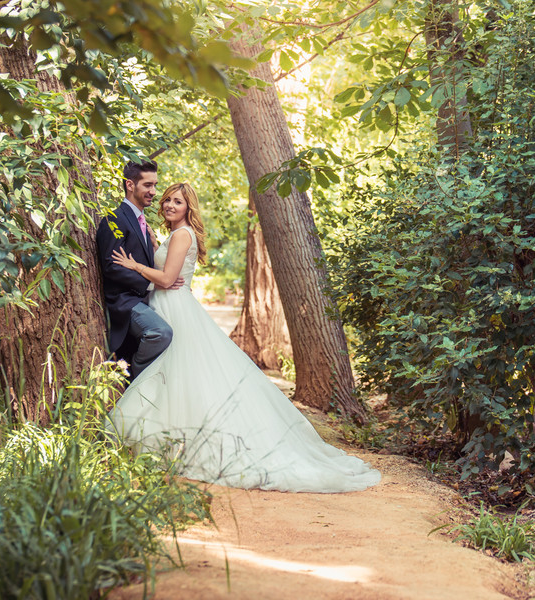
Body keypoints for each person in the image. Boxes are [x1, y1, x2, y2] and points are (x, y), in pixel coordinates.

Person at [108, 183, 381, 493]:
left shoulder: (182, 235)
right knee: (175, 378)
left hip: (175, 308)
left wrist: (135, 266)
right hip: (167, 304)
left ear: (188, 208)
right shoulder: (174, 234)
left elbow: (169, 279)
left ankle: (174, 441)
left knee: (177, 374)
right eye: (168, 199)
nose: (170, 205)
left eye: (178, 201)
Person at [96, 160, 180, 380]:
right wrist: (152, 283)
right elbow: (112, 267)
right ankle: (138, 380)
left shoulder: (142, 221)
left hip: (146, 300)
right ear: (130, 185)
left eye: (155, 185)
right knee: (161, 333)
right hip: (124, 302)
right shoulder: (114, 219)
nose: (153, 191)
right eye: (147, 185)